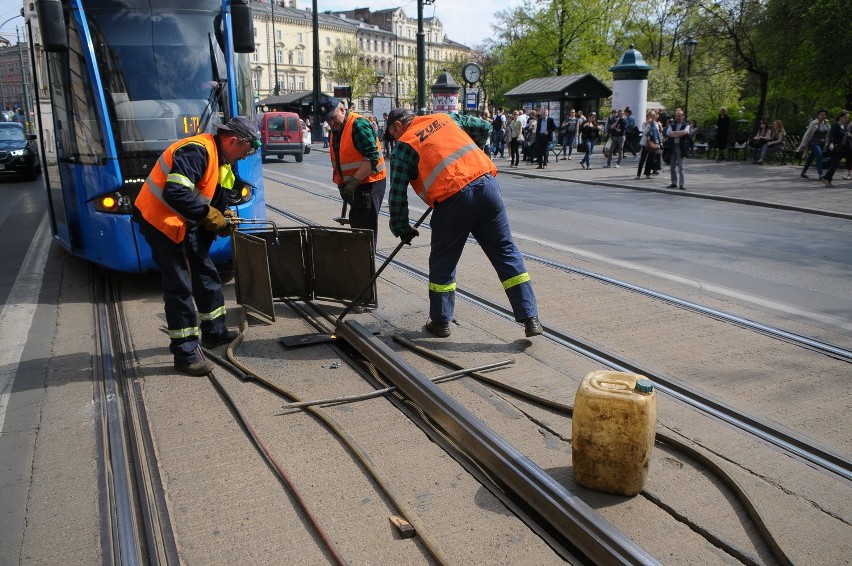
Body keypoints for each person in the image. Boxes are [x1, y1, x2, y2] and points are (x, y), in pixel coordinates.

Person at [382, 108, 542, 338]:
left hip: (452, 203)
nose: (393, 140)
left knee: (443, 263)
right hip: (487, 187)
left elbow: (397, 194)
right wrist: (472, 154)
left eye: (391, 135)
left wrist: (401, 228)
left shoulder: (404, 145)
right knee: (506, 252)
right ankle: (530, 317)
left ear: (397, 126)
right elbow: (484, 127)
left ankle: (440, 321)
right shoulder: (444, 118)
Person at [133, 116, 258, 375]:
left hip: (185, 222)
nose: (245, 157)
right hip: (160, 222)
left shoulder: (224, 160)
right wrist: (209, 216)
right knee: (179, 287)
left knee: (205, 272)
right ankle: (186, 353)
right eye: (245, 151)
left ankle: (214, 332)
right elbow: (175, 193)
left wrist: (223, 216)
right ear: (232, 141)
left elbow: (215, 196)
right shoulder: (195, 151)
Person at [319, 95, 386, 243]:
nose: (331, 122)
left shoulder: (358, 125)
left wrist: (353, 182)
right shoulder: (336, 130)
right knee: (357, 224)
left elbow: (372, 158)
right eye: (328, 120)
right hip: (354, 185)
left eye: (333, 117)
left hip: (369, 183)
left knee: (364, 229)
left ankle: (365, 262)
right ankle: (360, 261)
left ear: (342, 110)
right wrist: (342, 185)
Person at [796, 109, 830, 180]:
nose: (822, 116)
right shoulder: (814, 123)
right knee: (819, 156)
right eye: (821, 114)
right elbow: (807, 134)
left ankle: (803, 172)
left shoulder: (826, 123)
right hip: (814, 142)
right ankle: (821, 175)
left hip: (822, 143)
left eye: (824, 114)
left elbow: (829, 133)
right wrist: (803, 144)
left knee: (811, 157)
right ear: (818, 115)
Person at [821, 110, 849, 187]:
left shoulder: (845, 127)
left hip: (840, 149)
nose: (847, 119)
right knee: (835, 164)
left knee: (835, 165)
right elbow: (831, 135)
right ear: (841, 117)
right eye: (845, 117)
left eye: (847, 117)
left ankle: (828, 180)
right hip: (833, 147)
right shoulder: (835, 125)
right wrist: (831, 143)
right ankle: (825, 178)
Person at [664, 108, 690, 190]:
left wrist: (674, 133)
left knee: (681, 166)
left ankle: (682, 184)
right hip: (672, 147)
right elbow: (668, 133)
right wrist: (679, 133)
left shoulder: (686, 125)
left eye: (679, 116)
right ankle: (673, 182)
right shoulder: (672, 125)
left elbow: (685, 133)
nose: (678, 117)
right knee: (672, 166)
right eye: (676, 116)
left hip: (681, 147)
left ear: (683, 116)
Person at [635, 111, 661, 179]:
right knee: (642, 159)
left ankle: (647, 174)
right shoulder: (645, 123)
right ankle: (638, 174)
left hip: (653, 143)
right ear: (647, 116)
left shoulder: (656, 124)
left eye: (653, 116)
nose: (651, 117)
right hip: (645, 143)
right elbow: (644, 132)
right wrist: (649, 125)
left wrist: (659, 143)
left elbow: (657, 134)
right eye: (650, 115)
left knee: (650, 160)